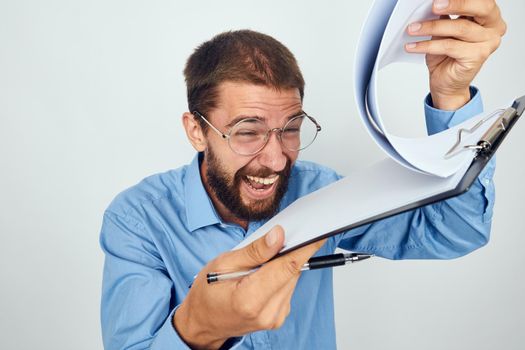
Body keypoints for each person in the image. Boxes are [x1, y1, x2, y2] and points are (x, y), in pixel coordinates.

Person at [100, 1, 507, 349]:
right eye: (247, 131)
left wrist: (450, 94)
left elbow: (456, 231)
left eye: (292, 128)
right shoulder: (138, 219)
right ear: (196, 130)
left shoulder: (319, 189)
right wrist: (199, 327)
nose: (277, 160)